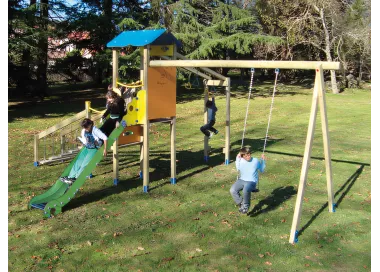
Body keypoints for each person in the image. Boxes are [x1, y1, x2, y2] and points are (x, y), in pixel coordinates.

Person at [60, 118, 108, 185]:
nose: (86, 129)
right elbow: (85, 141)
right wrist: (79, 143)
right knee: (78, 162)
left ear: (90, 124)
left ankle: (76, 178)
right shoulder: (83, 131)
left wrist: (105, 149)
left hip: (94, 148)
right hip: (87, 147)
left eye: (86, 127)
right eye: (84, 127)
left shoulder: (95, 130)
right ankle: (70, 177)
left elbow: (105, 138)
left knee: (84, 164)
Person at [230, 147, 266, 214]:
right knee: (232, 190)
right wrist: (237, 158)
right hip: (242, 179)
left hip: (251, 181)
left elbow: (262, 169)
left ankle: (245, 207)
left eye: (249, 155)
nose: (248, 157)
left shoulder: (255, 161)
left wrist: (263, 161)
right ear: (242, 156)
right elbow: (238, 167)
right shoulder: (241, 161)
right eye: (246, 156)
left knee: (245, 190)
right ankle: (241, 203)